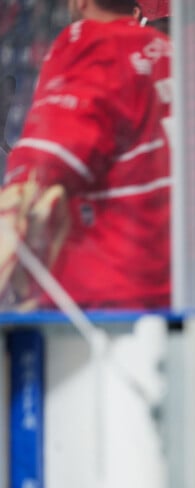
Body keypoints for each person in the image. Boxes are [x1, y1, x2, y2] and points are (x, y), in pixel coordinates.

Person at [0, 0, 172, 310]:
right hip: (178, 285)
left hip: (109, 294)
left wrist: (17, 194)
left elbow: (45, 165)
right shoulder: (170, 51)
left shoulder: (91, 39)